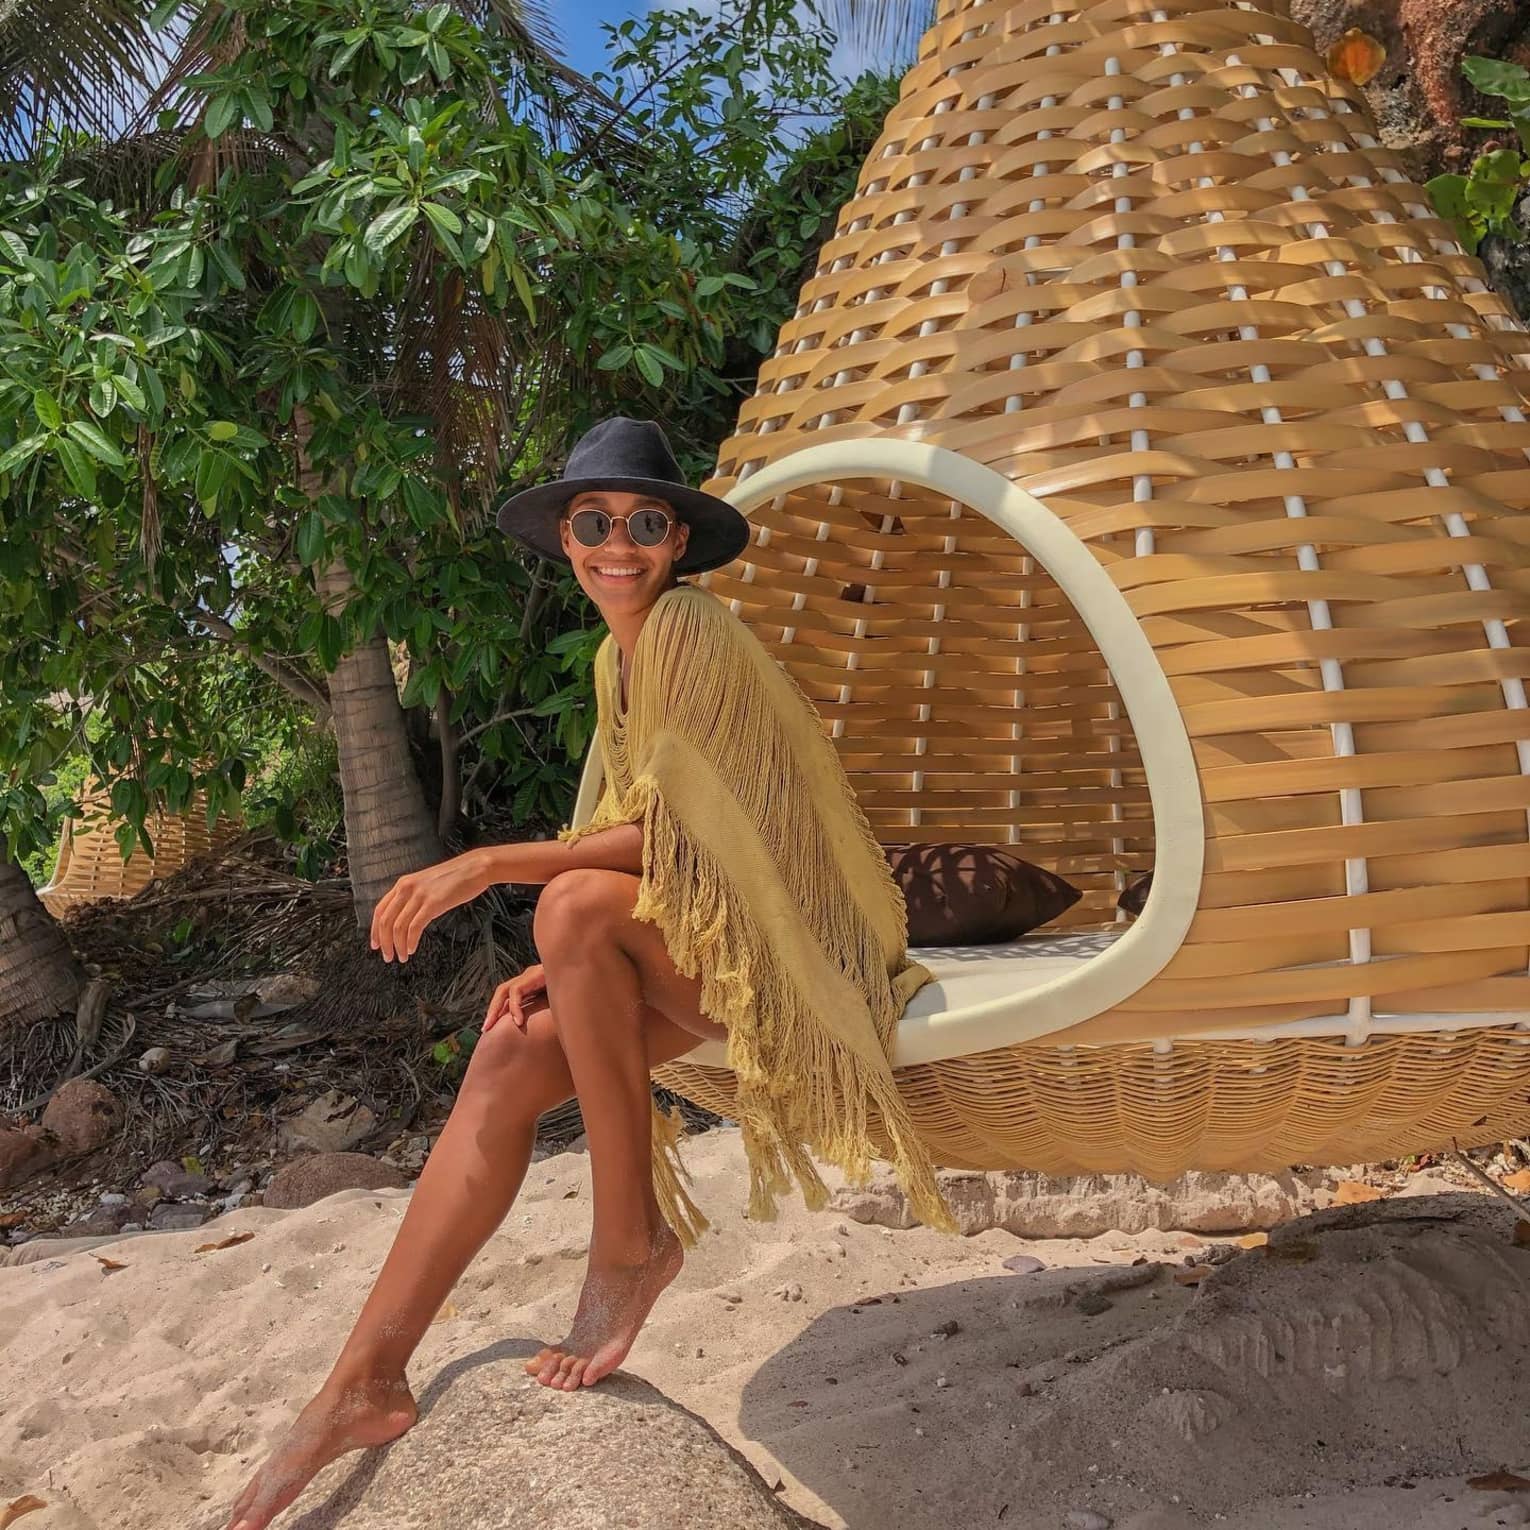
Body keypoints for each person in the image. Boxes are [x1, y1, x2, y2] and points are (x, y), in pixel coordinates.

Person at [223, 416, 950, 1530]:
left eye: (645, 524)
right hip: (710, 940)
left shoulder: (690, 632)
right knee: (512, 1046)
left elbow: (694, 840)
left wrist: (493, 865)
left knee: (568, 901)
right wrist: (553, 962)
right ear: (567, 539)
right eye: (593, 523)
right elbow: (634, 828)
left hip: (798, 953)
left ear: (677, 543)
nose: (619, 543)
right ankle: (362, 1379)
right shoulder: (622, 653)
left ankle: (631, 1241)